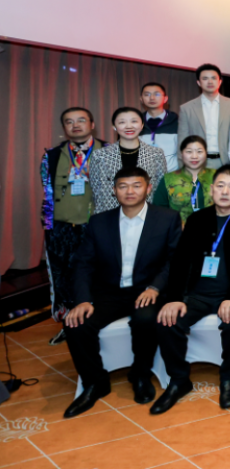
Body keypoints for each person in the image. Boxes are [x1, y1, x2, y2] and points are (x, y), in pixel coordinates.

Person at [61, 167, 182, 418]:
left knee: (145, 319)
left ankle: (140, 375)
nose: (130, 191)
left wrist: (155, 287)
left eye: (137, 185)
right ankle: (95, 383)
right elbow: (83, 264)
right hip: (109, 292)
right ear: (114, 190)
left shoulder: (167, 218)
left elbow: (175, 260)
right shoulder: (99, 222)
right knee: (76, 324)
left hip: (147, 290)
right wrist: (83, 300)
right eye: (123, 186)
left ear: (148, 188)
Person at [151, 165, 230, 414]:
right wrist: (175, 298)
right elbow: (180, 262)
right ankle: (179, 380)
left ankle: (229, 377)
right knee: (167, 320)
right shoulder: (197, 219)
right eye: (220, 186)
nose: (225, 191)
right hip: (197, 294)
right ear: (212, 189)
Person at [40, 107, 103, 330]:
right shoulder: (52, 155)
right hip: (61, 227)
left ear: (92, 124)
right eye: (69, 121)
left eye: (81, 120)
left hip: (97, 226)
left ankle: (96, 321)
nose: (75, 125)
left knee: (99, 274)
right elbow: (47, 191)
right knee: (62, 277)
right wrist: (49, 227)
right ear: (64, 128)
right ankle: (68, 324)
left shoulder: (108, 152)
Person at [88, 107, 168, 214]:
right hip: (109, 212)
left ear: (142, 125)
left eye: (134, 121)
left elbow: (160, 189)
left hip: (146, 212)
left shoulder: (156, 154)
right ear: (114, 127)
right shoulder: (99, 155)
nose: (129, 126)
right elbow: (95, 190)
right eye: (122, 122)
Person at [177, 63, 230, 169]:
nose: (210, 82)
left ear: (220, 81)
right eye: (205, 78)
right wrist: (182, 167)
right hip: (197, 162)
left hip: (226, 162)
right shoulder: (186, 108)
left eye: (214, 78)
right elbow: (182, 140)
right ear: (198, 82)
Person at [152, 135, 216, 224]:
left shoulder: (216, 176)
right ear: (181, 153)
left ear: (206, 153)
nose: (194, 156)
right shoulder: (168, 179)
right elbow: (159, 210)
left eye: (199, 151)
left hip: (214, 229)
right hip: (178, 229)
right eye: (189, 152)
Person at [140, 82, 180, 171]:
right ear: (141, 99)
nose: (152, 98)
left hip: (171, 174)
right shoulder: (136, 124)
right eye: (147, 94)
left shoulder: (178, 122)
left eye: (157, 94)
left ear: (165, 99)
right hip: (144, 175)